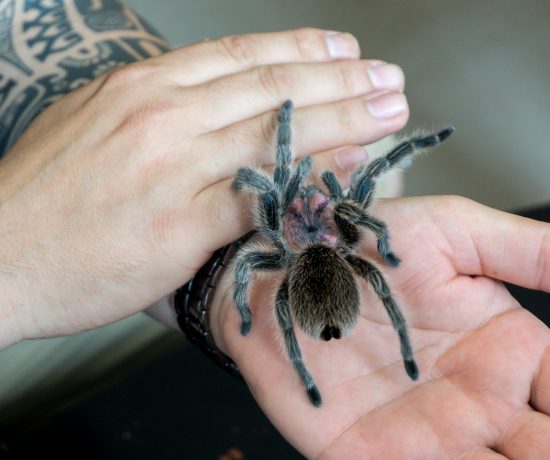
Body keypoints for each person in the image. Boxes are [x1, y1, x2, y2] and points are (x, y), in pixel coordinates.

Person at [1, 1, 549, 458]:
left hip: (264, 279)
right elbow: (273, 197)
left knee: (368, 158)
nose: (311, 200)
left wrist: (230, 296)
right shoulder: (324, 234)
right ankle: (356, 361)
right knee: (356, 175)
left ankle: (332, 362)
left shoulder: (281, 239)